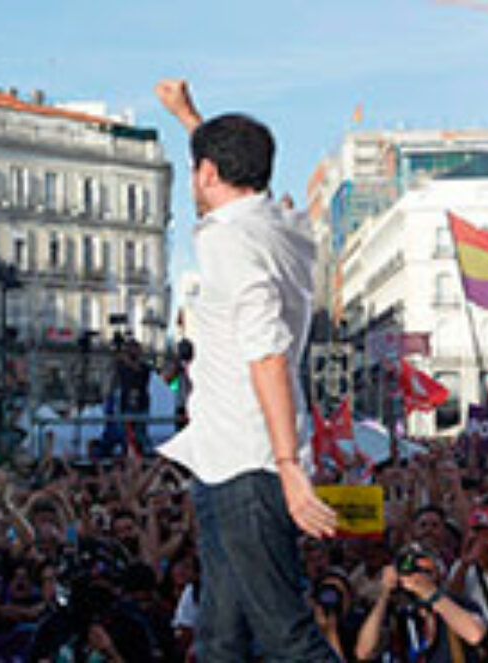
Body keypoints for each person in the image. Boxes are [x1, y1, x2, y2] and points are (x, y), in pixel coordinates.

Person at [154, 79, 339, 661]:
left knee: (288, 638)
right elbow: (233, 183)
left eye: (197, 169)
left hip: (249, 463)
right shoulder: (279, 227)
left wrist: (287, 467)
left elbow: (267, 355)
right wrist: (191, 120)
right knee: (219, 641)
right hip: (229, 461)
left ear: (207, 173)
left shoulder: (230, 244)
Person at [355, 543, 487, 662]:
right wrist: (384, 594)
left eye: (426, 572)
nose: (417, 579)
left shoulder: (458, 605)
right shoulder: (397, 612)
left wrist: (429, 593)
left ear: (440, 574)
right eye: (412, 571)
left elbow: (475, 634)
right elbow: (364, 652)